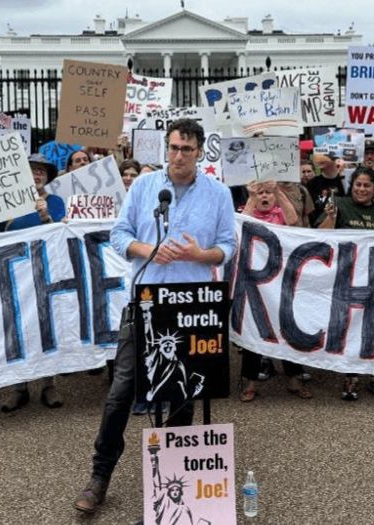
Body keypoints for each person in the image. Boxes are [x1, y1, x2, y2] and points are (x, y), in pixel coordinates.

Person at [74, 118, 236, 515]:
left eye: (187, 149)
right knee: (121, 392)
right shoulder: (145, 186)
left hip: (193, 305)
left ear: (200, 152)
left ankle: (175, 479)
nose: (179, 156)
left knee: (183, 392)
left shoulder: (218, 194)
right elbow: (118, 234)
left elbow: (228, 245)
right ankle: (100, 475)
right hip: (145, 303)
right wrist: (149, 249)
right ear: (166, 149)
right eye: (174, 148)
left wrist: (203, 255)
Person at [317, 167, 374, 400]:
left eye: (367, 185)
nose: (361, 189)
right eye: (358, 184)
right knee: (349, 326)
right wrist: (330, 217)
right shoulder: (339, 204)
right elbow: (319, 236)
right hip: (347, 279)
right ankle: (351, 375)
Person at [0, 154, 67, 413]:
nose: (36, 175)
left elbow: (62, 234)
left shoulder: (56, 202)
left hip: (46, 272)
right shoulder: (5, 204)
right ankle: (19, 388)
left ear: (47, 177)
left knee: (48, 326)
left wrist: (46, 217)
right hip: (14, 272)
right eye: (31, 170)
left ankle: (49, 384)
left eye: (41, 172)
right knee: (17, 328)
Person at [238, 180, 306, 402]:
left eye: (269, 193)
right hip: (254, 284)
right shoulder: (247, 213)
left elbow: (294, 219)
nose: (265, 197)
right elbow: (242, 224)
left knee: (287, 328)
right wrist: (251, 195)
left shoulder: (281, 215)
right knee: (252, 330)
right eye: (261, 194)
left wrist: (276, 188)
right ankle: (251, 382)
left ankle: (294, 379)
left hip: (281, 283)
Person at [306, 152, 345, 224]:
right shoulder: (312, 183)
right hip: (318, 228)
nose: (319, 157)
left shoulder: (344, 181)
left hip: (341, 229)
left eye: (325, 154)